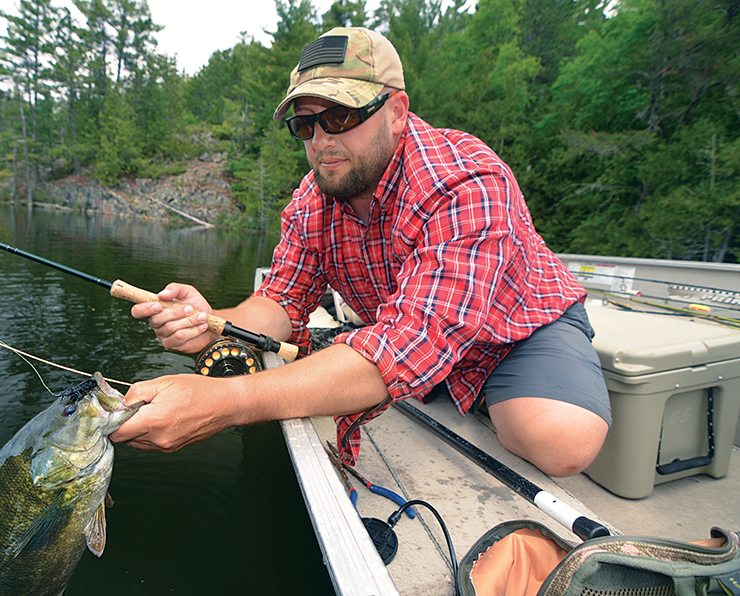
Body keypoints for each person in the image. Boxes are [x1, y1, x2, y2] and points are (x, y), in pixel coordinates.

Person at [110, 26, 611, 477]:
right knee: (392, 359)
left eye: (342, 115)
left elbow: (406, 343)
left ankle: (473, 385)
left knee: (560, 441)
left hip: (518, 328)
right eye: (306, 125)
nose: (323, 140)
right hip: (406, 330)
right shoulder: (312, 200)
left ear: (396, 112)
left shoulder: (465, 180)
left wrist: (223, 402)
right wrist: (210, 319)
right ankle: (429, 375)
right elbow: (281, 302)